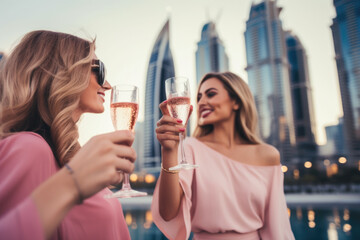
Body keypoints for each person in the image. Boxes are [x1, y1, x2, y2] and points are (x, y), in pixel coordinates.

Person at [0, 30, 136, 240]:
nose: (107, 85)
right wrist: (73, 183)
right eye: (99, 70)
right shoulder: (29, 148)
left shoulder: (66, 157)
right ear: (61, 72)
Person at [152, 72, 295, 240]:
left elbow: (277, 224)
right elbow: (168, 213)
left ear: (236, 101)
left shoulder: (268, 155)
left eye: (211, 94)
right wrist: (169, 151)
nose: (202, 102)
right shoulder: (190, 147)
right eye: (198, 97)